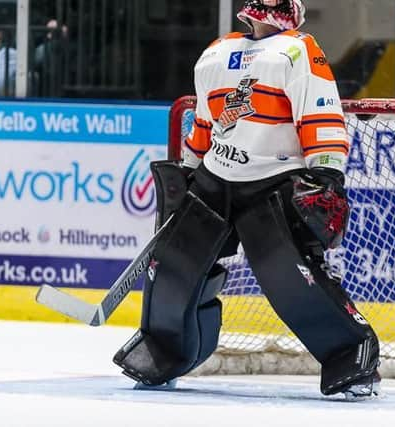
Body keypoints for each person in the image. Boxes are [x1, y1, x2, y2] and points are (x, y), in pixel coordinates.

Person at [113, 0, 381, 400]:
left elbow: (320, 115)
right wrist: (189, 169)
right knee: (176, 268)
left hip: (272, 181)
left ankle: (350, 354)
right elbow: (206, 120)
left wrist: (326, 173)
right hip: (216, 177)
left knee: (290, 277)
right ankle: (163, 351)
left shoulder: (290, 50)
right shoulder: (225, 52)